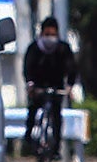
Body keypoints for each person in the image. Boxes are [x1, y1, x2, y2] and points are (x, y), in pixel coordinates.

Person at [21, 16, 78, 155]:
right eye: (47, 35)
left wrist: (69, 86)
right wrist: (30, 85)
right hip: (38, 85)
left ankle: (56, 147)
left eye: (53, 35)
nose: (50, 38)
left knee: (56, 115)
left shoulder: (63, 48)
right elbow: (27, 67)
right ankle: (28, 138)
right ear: (41, 34)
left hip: (56, 85)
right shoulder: (34, 48)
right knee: (33, 109)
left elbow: (72, 68)